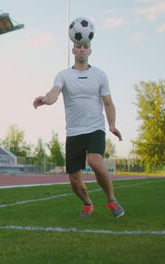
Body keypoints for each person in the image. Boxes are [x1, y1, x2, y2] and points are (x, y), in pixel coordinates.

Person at [33, 41, 124, 218]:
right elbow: (54, 93)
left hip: (95, 127)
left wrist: (112, 125)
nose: (82, 49)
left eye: (85, 46)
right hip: (74, 132)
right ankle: (87, 203)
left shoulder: (100, 75)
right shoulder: (63, 75)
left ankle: (112, 200)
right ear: (73, 50)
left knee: (95, 161)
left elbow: (108, 103)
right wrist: (45, 99)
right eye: (78, 46)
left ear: (90, 50)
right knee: (75, 180)